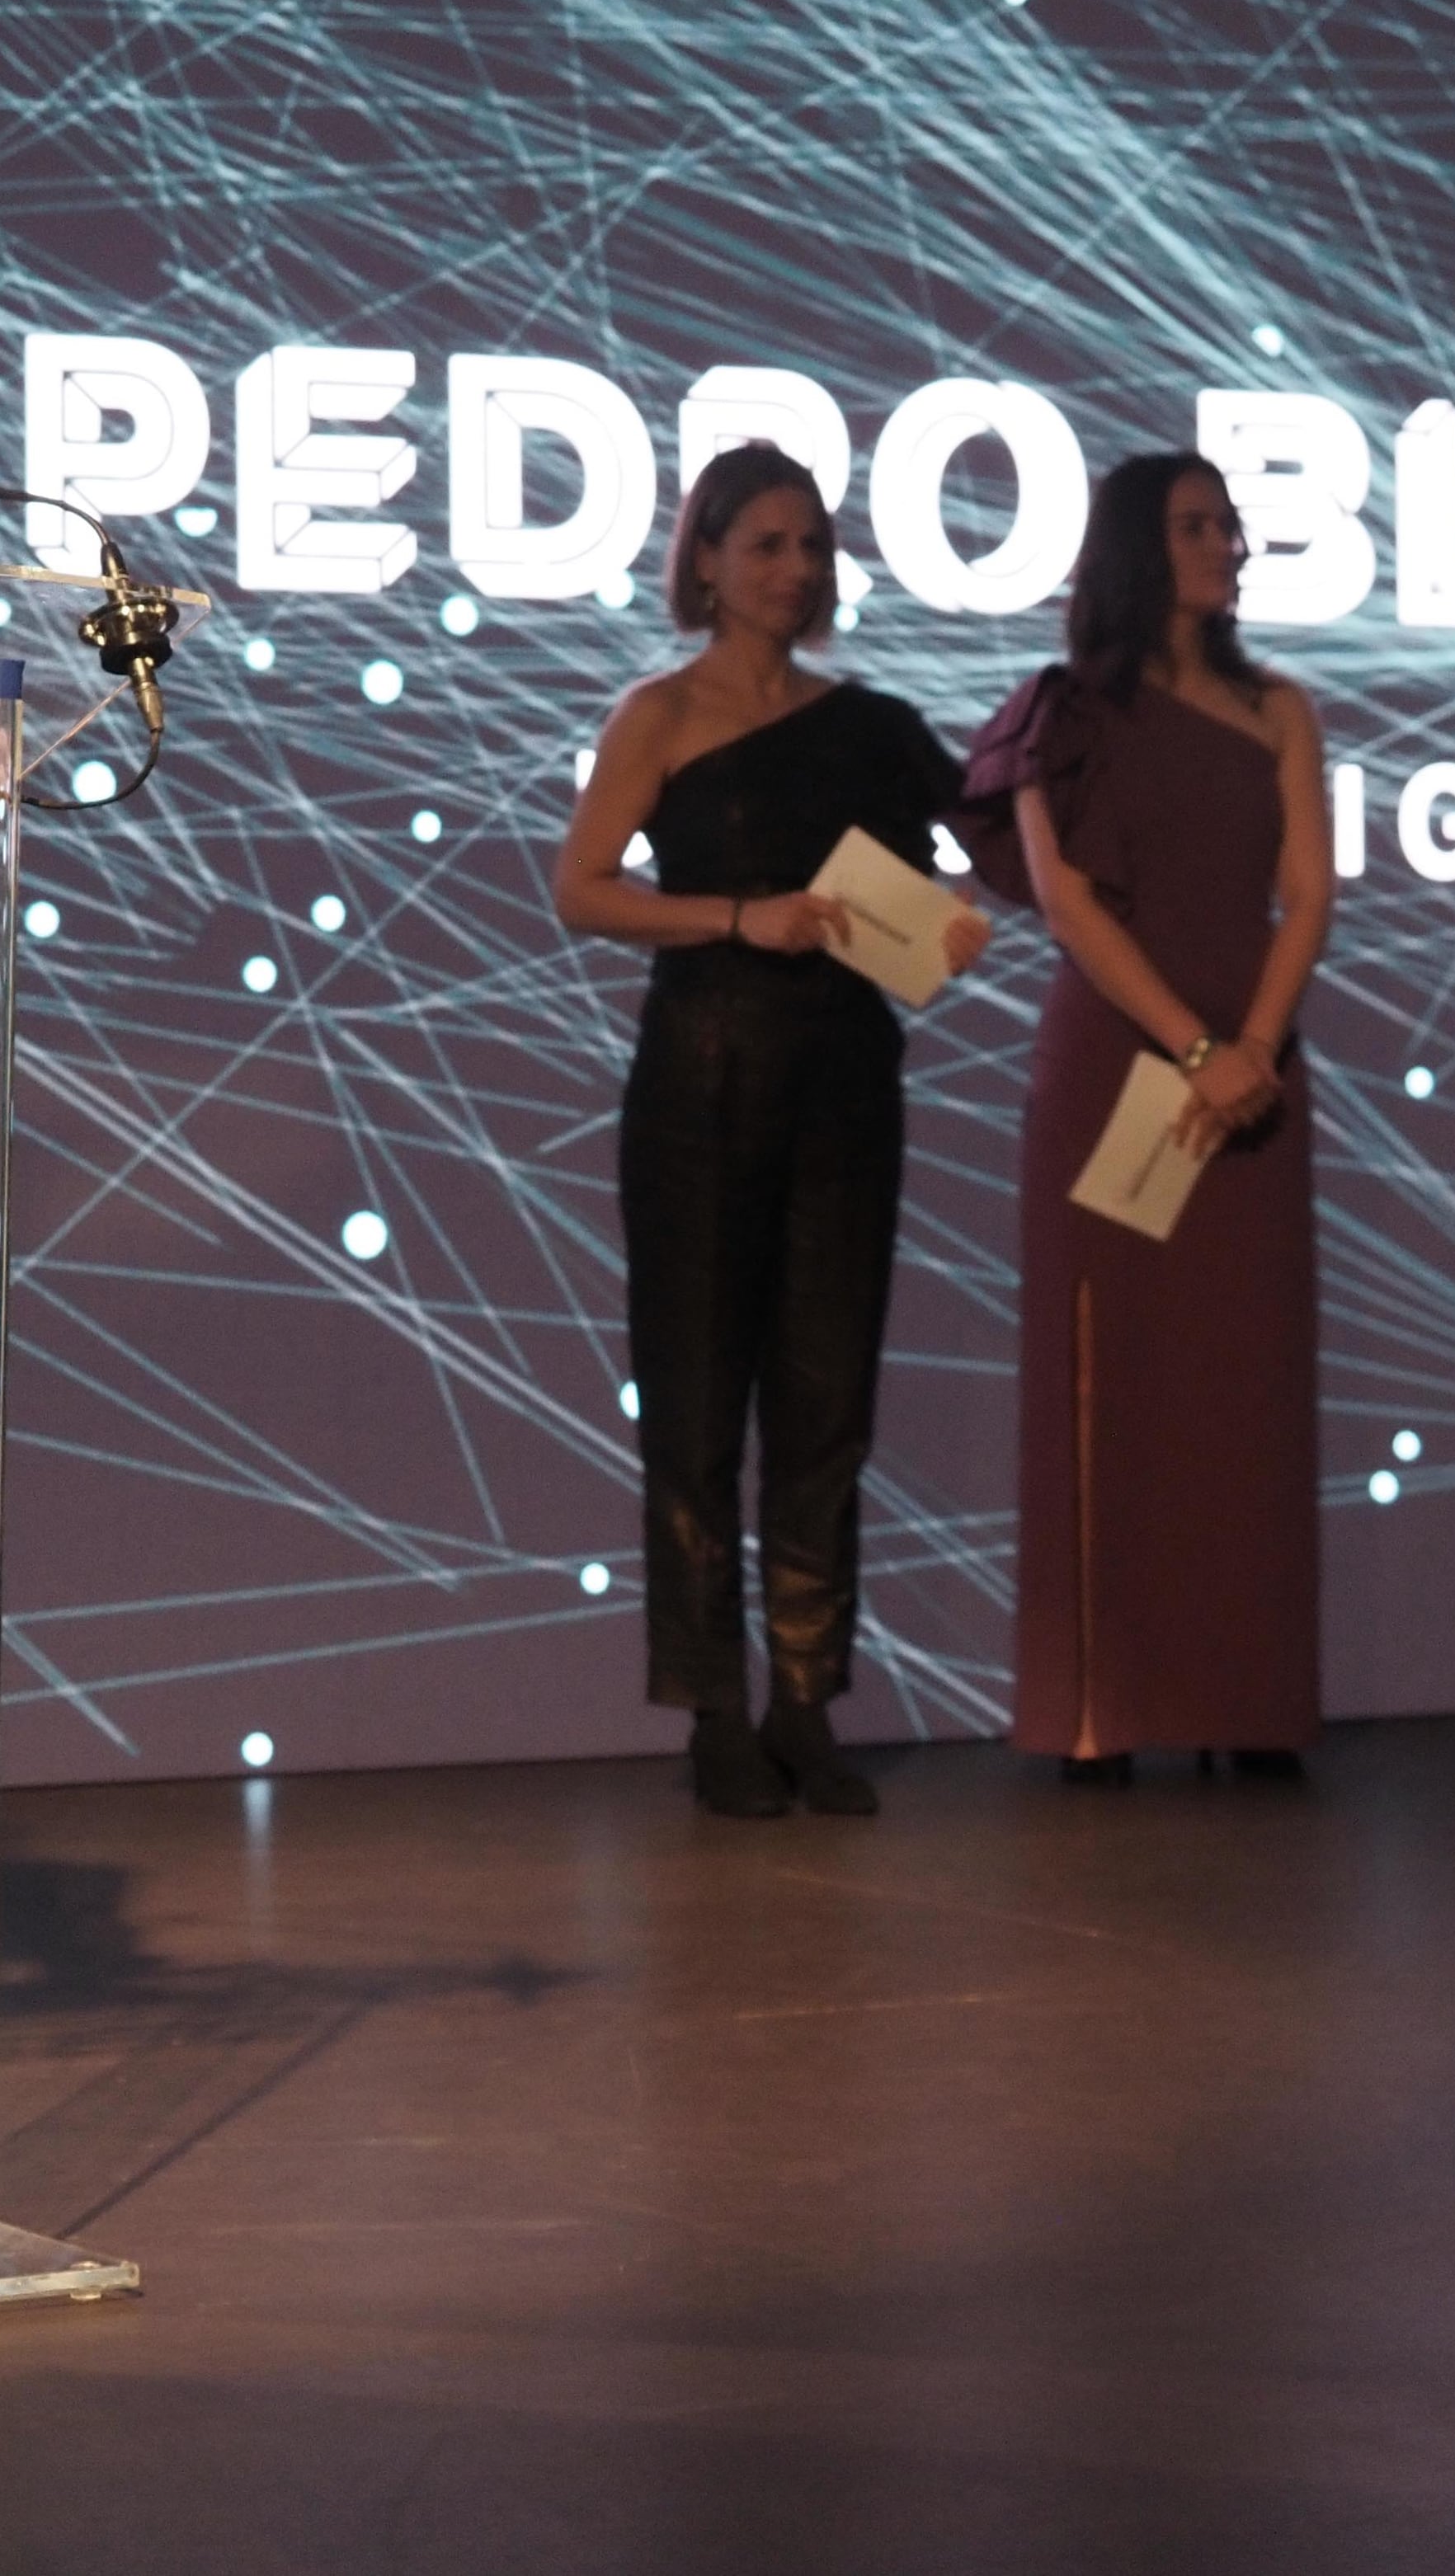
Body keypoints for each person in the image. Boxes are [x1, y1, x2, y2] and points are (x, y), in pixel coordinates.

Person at [552, 444, 986, 1818]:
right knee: (694, 1406)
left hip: (847, 1082)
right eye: (764, 547)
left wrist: (952, 923)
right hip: (698, 1079)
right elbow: (582, 886)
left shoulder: (873, 722)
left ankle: (807, 1699)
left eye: (810, 546)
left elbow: (972, 860)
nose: (793, 571)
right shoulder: (660, 713)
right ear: (705, 562)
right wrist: (742, 917)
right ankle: (711, 1710)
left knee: (825, 1404)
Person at [960, 450, 1333, 1784]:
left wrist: (1254, 1050)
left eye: (1230, 522)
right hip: (1118, 1062)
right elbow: (1064, 906)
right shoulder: (1063, 712)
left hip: (1254, 1075)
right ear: (1133, 546)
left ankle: (1249, 1702)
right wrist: (1193, 1046)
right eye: (1194, 524)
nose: (1225, 541)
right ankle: (1098, 1708)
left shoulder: (1283, 707)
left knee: (1244, 1389)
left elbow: (1309, 897)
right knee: (1106, 1384)